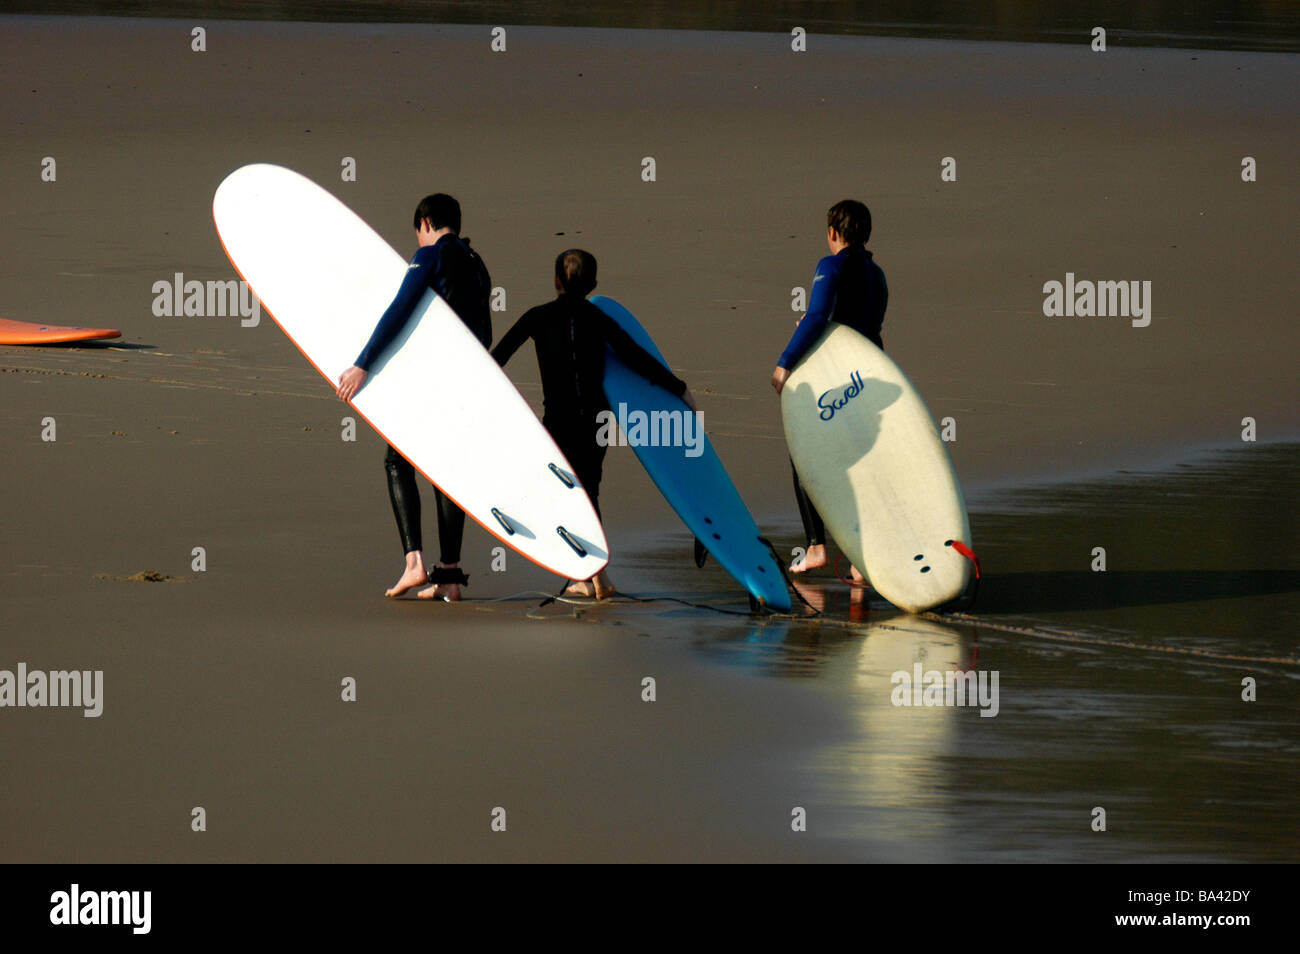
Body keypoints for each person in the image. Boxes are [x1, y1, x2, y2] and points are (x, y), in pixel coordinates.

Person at [492, 249, 697, 599]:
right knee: (589, 490)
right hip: (596, 420)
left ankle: (588, 574)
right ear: (594, 284)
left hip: (558, 421)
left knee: (566, 493)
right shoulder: (599, 319)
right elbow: (635, 357)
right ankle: (597, 575)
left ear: (556, 281)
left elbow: (496, 359)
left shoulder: (536, 317)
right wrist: (679, 389)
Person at [336, 193, 492, 602]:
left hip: (434, 383)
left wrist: (363, 363)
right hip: (470, 383)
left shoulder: (430, 257)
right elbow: (485, 333)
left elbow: (400, 308)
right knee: (446, 473)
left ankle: (414, 564)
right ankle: (450, 577)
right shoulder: (478, 265)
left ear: (425, 223)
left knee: (397, 460)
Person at [770, 199, 888, 580]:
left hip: (833, 378)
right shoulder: (878, 274)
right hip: (868, 375)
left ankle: (817, 547)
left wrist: (785, 361)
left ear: (832, 233)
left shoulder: (831, 265)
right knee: (860, 459)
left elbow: (820, 316)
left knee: (803, 455)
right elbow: (867, 328)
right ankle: (859, 558)